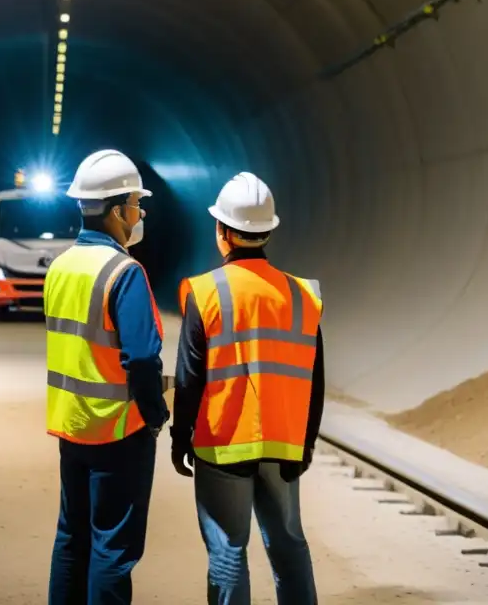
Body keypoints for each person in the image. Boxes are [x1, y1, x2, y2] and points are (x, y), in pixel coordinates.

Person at [170, 172, 325, 605]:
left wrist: (180, 438)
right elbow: (316, 379)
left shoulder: (205, 292)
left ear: (222, 232)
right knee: (289, 543)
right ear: (270, 231)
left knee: (227, 549)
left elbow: (189, 378)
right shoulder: (301, 296)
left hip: (223, 446)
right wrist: (306, 443)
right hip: (283, 445)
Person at [45, 148, 170, 605]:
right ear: (118, 211)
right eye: (137, 203)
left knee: (71, 539)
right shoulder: (125, 272)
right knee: (113, 549)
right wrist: (155, 416)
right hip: (118, 432)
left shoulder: (59, 268)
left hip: (71, 426)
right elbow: (141, 359)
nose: (140, 213)